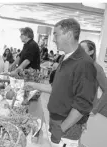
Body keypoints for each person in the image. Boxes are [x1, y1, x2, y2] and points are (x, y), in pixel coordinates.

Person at [24, 18, 97, 146]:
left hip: (67, 128)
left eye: (56, 34)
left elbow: (83, 104)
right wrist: (33, 85)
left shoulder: (84, 64)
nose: (53, 39)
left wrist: (61, 129)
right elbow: (56, 88)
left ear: (68, 35)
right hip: (56, 121)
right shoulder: (66, 57)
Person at [79, 40, 107, 147]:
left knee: (84, 142)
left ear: (91, 52)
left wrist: (95, 110)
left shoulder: (96, 68)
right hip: (76, 109)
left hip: (88, 111)